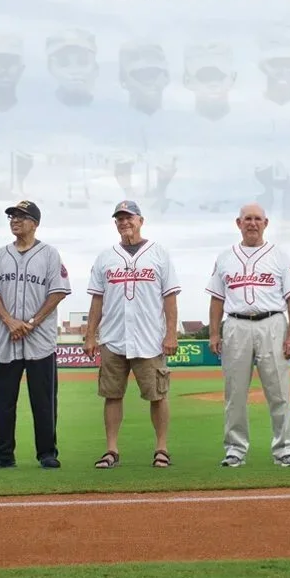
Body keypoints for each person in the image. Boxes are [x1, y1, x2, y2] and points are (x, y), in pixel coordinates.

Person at [84, 200, 180, 469]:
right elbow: (97, 299)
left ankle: (162, 448)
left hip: (149, 338)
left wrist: (171, 333)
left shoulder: (159, 253)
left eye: (129, 218)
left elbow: (170, 297)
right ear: (115, 223)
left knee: (158, 395)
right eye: (119, 219)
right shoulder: (106, 256)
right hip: (114, 337)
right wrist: (90, 335)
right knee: (112, 394)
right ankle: (111, 450)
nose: (125, 222)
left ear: (141, 220)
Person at [205, 203, 290, 468]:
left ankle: (284, 450)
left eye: (257, 219)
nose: (252, 223)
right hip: (236, 323)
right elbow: (216, 299)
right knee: (234, 393)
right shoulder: (226, 256)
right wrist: (214, 333)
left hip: (271, 322)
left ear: (265, 223)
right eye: (247, 219)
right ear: (238, 223)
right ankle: (235, 449)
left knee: (279, 392)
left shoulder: (279, 256)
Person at [0, 199, 72, 469]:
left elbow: (58, 292)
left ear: (35, 223)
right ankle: (2, 454)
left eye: (21, 216)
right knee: (3, 401)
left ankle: (47, 453)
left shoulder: (49, 254)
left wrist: (32, 322)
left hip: (39, 341)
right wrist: (9, 321)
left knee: (43, 401)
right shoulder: (0, 255)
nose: (14, 220)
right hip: (7, 340)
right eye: (11, 216)